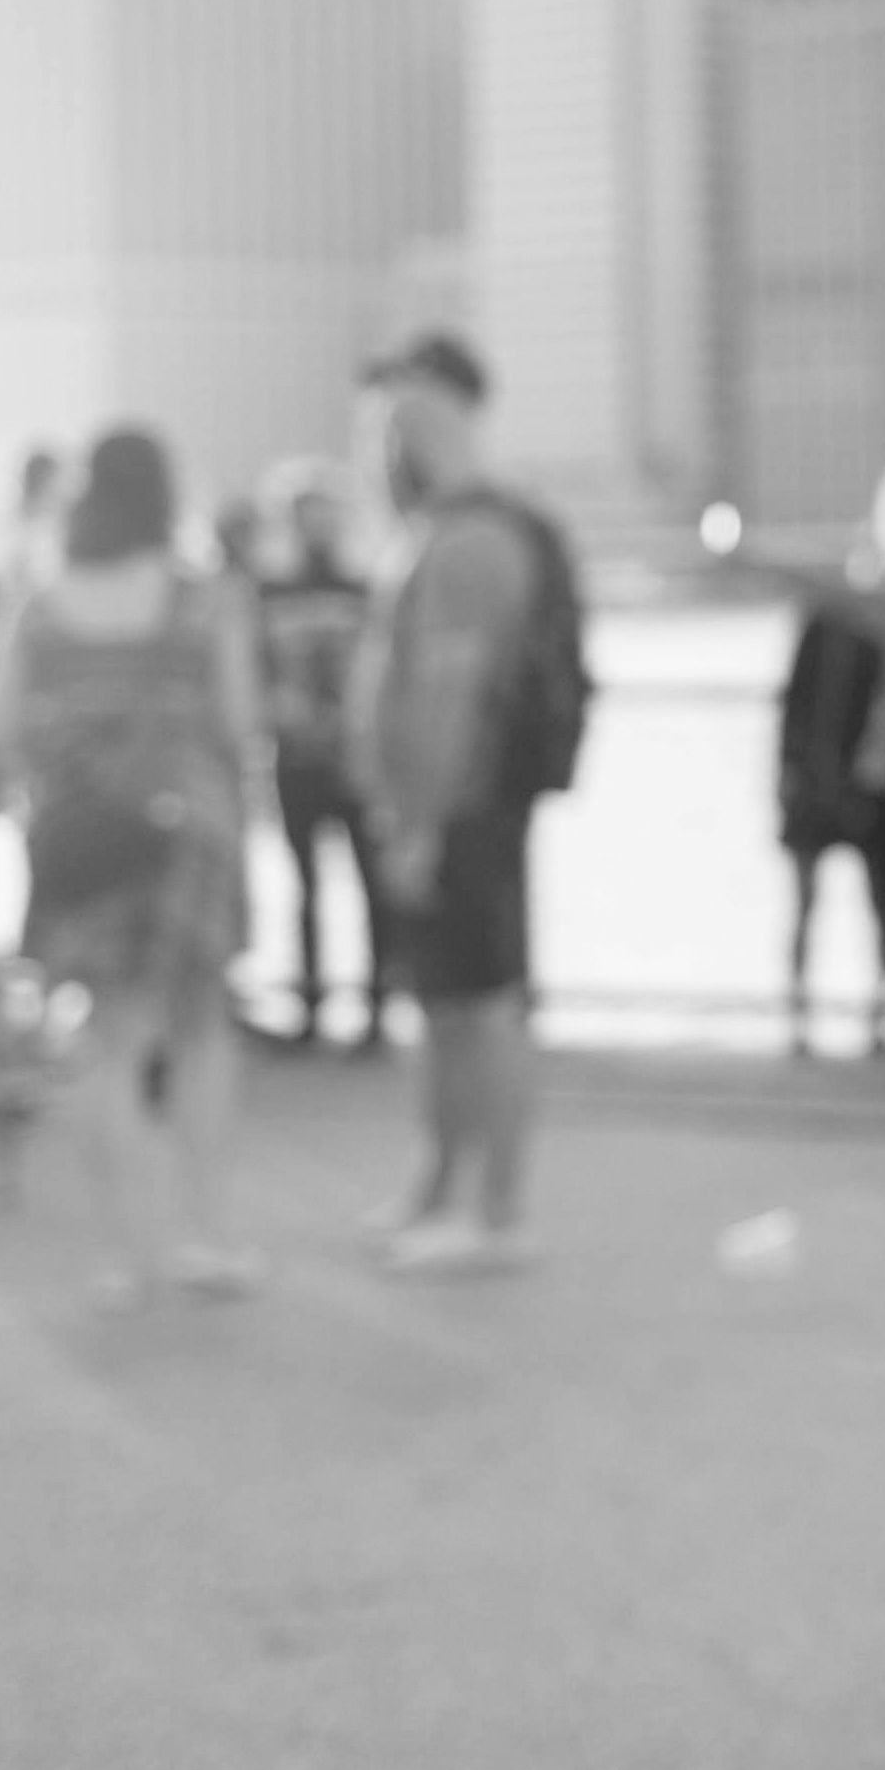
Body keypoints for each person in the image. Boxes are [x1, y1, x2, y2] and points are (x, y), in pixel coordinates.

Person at [0, 425, 259, 1308]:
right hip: (189, 832)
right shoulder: (203, 600)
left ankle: (119, 1254)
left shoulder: (41, 601)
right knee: (201, 1032)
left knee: (106, 1042)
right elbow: (242, 725)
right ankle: (206, 1234)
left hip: (75, 836)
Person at [351, 331, 572, 1277]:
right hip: (444, 809)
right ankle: (443, 1185)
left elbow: (453, 694)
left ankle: (497, 1209)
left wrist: (422, 823)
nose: (368, 450)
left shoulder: (472, 538)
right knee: (446, 1006)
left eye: (382, 427)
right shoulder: (450, 528)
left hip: (464, 809)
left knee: (483, 1007)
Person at [250, 463, 379, 1052]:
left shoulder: (363, 590)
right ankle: (308, 1001)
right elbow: (253, 678)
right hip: (297, 757)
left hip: (354, 759)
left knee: (370, 882)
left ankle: (377, 1004)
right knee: (303, 885)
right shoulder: (268, 595)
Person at [773, 544, 885, 1057]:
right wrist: (791, 778)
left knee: (882, 907)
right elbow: (792, 707)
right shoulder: (825, 626)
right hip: (818, 786)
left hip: (866, 788)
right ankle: (798, 1019)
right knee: (807, 904)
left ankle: (879, 1019)